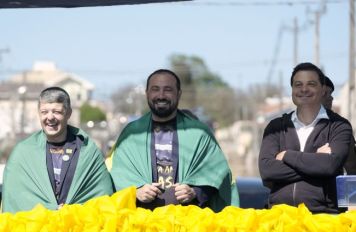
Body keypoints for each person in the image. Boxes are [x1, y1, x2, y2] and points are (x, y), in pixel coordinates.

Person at [110, 69, 239, 212]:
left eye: (168, 90)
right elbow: (117, 176)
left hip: (189, 225)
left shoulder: (199, 133)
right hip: (141, 225)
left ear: (178, 94)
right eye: (155, 89)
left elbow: (218, 176)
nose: (161, 95)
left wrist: (195, 192)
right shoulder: (131, 134)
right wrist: (136, 192)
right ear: (147, 93)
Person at [259, 62, 353, 214]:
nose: (304, 89)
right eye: (298, 84)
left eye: (311, 84)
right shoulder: (276, 127)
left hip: (324, 219)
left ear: (322, 89)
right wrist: (317, 160)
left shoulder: (339, 126)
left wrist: (287, 155)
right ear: (292, 90)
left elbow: (333, 167)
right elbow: (267, 170)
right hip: (278, 218)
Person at [2, 87, 113, 213]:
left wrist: (71, 211)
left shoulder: (87, 149)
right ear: (38, 113)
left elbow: (103, 195)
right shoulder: (23, 152)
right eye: (44, 112)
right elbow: (15, 198)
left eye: (57, 112)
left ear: (68, 113)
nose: (50, 117)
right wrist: (50, 210)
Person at [321, 76, 356, 175]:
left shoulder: (340, 125)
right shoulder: (288, 124)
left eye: (330, 93)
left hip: (332, 187)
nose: (331, 97)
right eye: (324, 93)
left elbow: (351, 167)